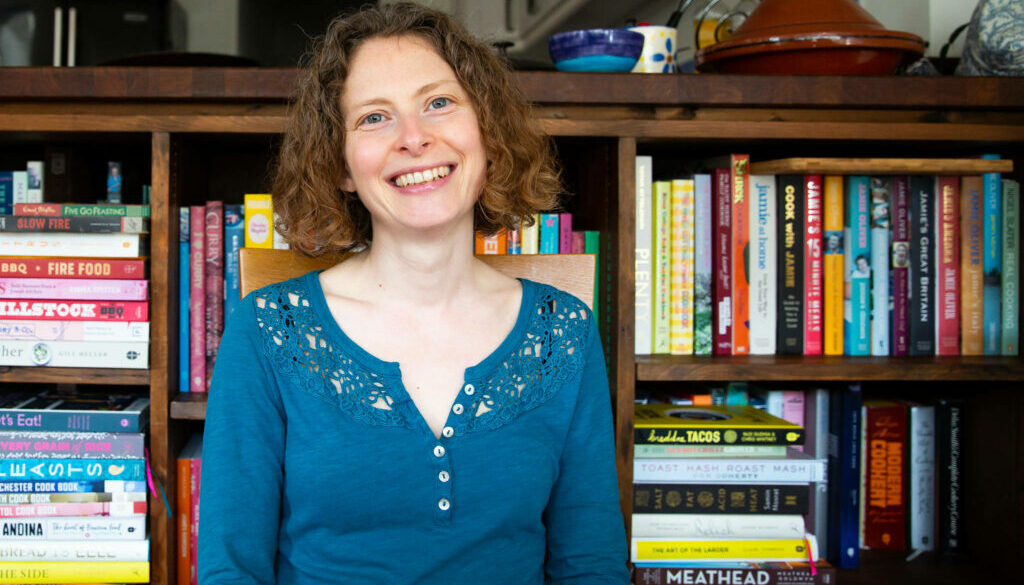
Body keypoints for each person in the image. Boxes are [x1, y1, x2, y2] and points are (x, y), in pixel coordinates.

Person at [197, 4, 629, 585]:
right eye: (375, 118)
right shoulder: (266, 330)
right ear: (342, 165)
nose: (414, 138)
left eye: (439, 103)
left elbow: (591, 567)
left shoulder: (564, 333)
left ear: (488, 133)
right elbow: (232, 570)